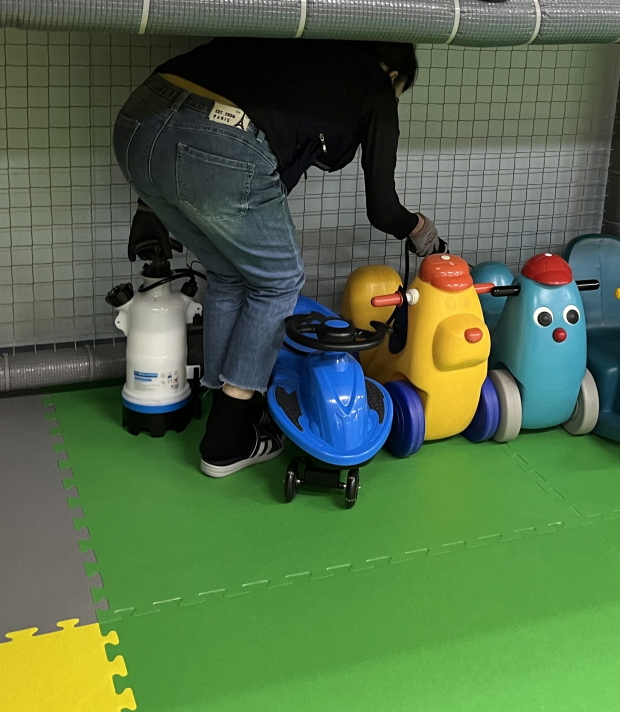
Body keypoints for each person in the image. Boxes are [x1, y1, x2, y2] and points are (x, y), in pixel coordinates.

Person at [113, 39, 444, 478]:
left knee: (229, 272)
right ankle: (225, 441)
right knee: (280, 280)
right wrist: (421, 230)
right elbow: (383, 209)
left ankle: (228, 409)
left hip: (137, 121)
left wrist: (147, 207)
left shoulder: (310, 49)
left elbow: (182, 126)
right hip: (220, 138)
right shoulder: (375, 83)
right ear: (395, 75)